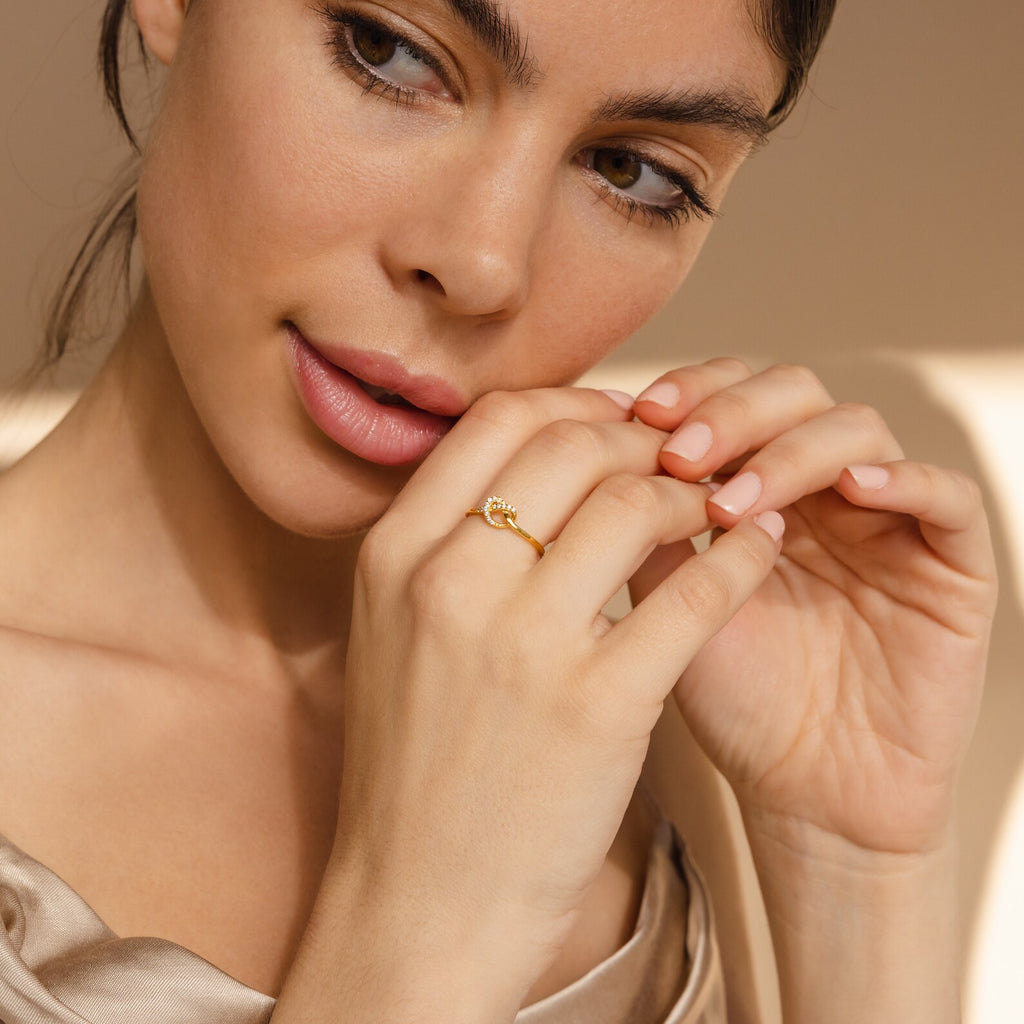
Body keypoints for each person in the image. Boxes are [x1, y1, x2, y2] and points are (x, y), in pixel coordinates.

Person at [0, 0, 997, 1022]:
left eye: (631, 171)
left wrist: (858, 868)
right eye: (390, 53)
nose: (483, 265)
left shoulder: (618, 693)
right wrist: (428, 912)